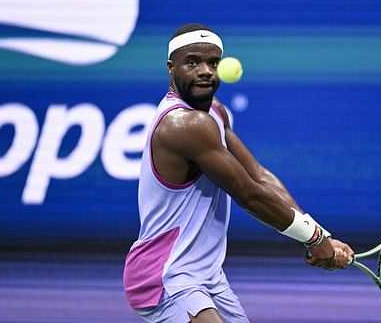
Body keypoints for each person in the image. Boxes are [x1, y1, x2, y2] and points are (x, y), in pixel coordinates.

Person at [123, 23, 354, 323]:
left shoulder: (215, 112)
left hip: (206, 276)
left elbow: (259, 175)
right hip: (167, 275)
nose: (205, 71)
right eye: (192, 62)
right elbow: (250, 195)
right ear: (171, 68)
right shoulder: (185, 125)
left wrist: (319, 233)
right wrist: (313, 239)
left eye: (212, 63)